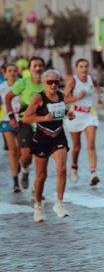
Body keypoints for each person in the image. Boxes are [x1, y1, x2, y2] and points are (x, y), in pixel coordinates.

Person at [22, 70, 76, 222]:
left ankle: (59, 203)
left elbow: (61, 111)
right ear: (44, 83)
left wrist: (68, 114)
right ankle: (38, 205)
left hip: (58, 134)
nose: (53, 85)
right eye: (49, 82)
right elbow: (26, 118)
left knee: (62, 168)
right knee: (41, 176)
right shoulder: (39, 97)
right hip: (42, 137)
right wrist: (43, 118)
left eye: (55, 82)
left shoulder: (61, 96)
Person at [4, 56, 45, 192]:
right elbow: (8, 97)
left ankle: (37, 189)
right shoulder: (23, 82)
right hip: (25, 121)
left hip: (42, 123)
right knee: (26, 154)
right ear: (30, 68)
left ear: (43, 68)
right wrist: (11, 116)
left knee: (40, 155)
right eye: (35, 66)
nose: (38, 68)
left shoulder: (47, 82)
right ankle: (24, 169)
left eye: (40, 66)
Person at [64, 59, 103, 185]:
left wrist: (99, 96)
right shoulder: (73, 81)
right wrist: (77, 97)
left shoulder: (92, 79)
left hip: (89, 115)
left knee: (91, 144)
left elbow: (97, 86)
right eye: (81, 67)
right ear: (76, 68)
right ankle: (74, 167)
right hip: (75, 115)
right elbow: (64, 99)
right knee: (76, 147)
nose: (84, 69)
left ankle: (93, 173)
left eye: (86, 66)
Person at [0, 64, 22, 192]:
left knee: (21, 150)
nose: (12, 73)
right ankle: (15, 182)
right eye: (10, 71)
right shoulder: (2, 88)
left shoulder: (21, 85)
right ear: (5, 73)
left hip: (22, 120)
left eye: (14, 71)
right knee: (12, 149)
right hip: (7, 120)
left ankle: (19, 164)